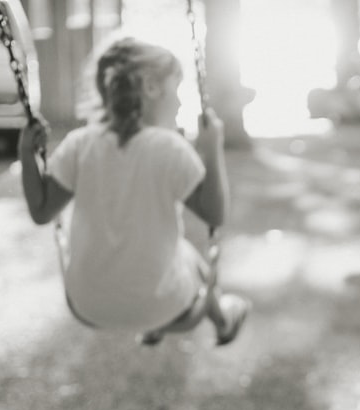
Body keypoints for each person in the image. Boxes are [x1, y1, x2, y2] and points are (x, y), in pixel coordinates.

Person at [18, 36, 250, 346]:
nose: (180, 103)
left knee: (179, 253)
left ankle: (156, 324)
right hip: (169, 309)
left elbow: (42, 211)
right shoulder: (170, 149)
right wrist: (212, 149)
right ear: (151, 88)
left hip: (88, 306)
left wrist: (26, 154)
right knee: (191, 258)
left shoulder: (79, 144)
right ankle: (223, 318)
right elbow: (215, 214)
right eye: (176, 91)